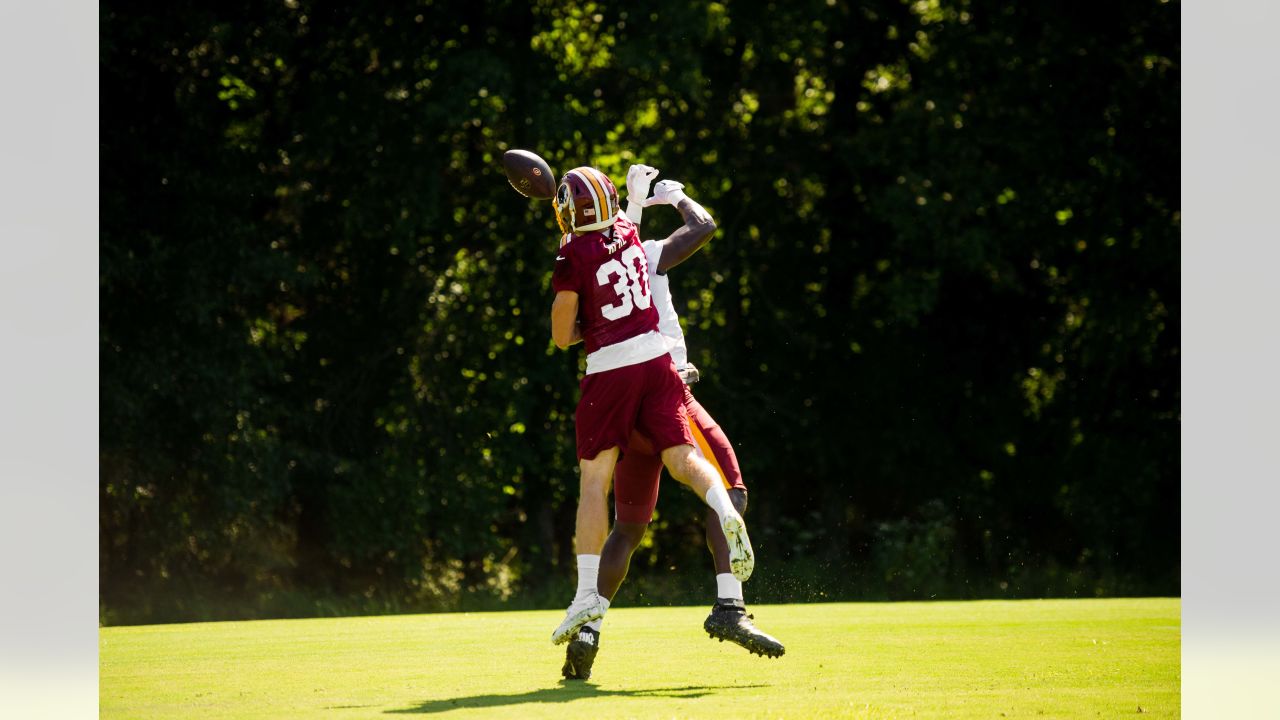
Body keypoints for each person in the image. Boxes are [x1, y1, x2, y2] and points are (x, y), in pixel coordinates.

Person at [561, 168, 784, 680]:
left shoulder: (596, 258)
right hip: (664, 391)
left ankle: (590, 625)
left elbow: (573, 324)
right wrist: (675, 196)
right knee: (728, 487)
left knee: (629, 526)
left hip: (620, 397)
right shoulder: (647, 253)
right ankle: (729, 607)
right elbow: (702, 226)